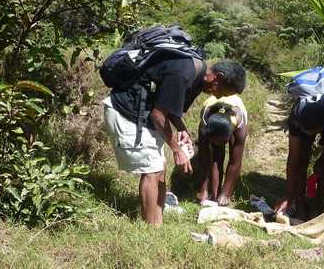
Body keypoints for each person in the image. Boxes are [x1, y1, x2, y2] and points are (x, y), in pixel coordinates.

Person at [103, 54, 246, 225]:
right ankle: (152, 230)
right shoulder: (184, 73)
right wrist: (177, 150)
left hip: (144, 113)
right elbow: (158, 115)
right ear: (218, 78)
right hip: (127, 111)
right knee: (151, 170)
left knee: (160, 166)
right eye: (221, 92)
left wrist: (182, 128)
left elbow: (168, 109)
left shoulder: (197, 78)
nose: (217, 97)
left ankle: (157, 222)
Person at [274, 91, 324, 220]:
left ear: (321, 127)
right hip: (307, 120)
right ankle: (299, 201)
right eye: (305, 131)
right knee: (301, 159)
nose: (308, 134)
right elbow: (293, 159)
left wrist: (323, 159)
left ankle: (318, 202)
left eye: (311, 132)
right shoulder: (296, 116)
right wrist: (289, 196)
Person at [195, 90, 248, 206]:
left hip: (232, 117)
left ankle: (222, 194)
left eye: (223, 141)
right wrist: (202, 189)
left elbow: (235, 163)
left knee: (232, 156)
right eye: (214, 140)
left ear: (230, 135)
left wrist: (225, 195)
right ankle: (213, 194)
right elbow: (203, 157)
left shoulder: (240, 126)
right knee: (215, 156)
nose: (219, 143)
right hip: (212, 114)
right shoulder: (205, 123)